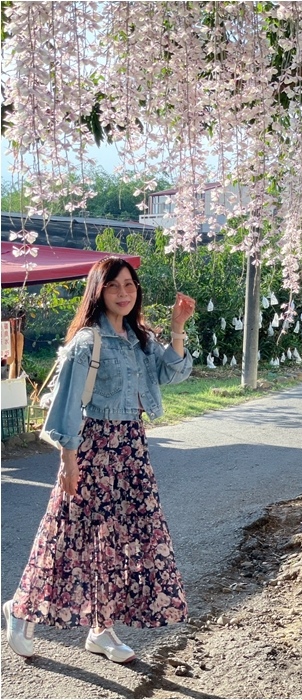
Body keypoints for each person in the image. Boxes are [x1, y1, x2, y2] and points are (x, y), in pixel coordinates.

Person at [3, 257, 195, 663]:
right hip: (90, 448)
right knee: (67, 534)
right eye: (114, 287)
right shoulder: (87, 342)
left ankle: (101, 629)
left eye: (129, 285)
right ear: (99, 292)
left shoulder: (140, 339)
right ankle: (20, 609)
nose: (124, 293)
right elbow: (69, 403)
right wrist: (69, 460)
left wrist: (177, 327)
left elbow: (173, 373)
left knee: (122, 540)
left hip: (131, 449)